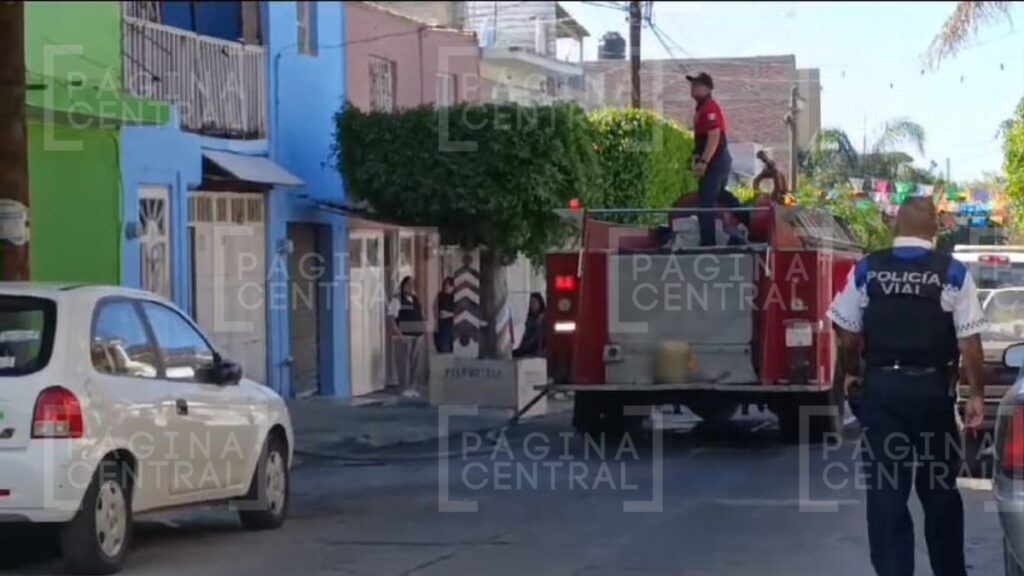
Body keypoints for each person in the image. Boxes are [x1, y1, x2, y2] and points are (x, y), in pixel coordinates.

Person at [827, 197, 987, 576]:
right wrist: (976, 394)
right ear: (936, 229)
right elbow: (969, 344)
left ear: (896, 225)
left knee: (886, 495)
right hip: (933, 394)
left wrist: (852, 373)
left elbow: (847, 331)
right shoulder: (952, 273)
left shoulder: (867, 269)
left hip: (883, 393)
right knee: (940, 492)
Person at [687, 72, 733, 247]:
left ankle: (708, 244)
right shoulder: (702, 107)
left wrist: (704, 162)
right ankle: (747, 218)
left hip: (716, 160)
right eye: (692, 85)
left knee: (705, 202)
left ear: (707, 88)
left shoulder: (709, 108)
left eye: (697, 85)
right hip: (718, 159)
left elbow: (713, 136)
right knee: (720, 195)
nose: (693, 88)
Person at [387, 276, 427, 398]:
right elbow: (391, 318)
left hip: (417, 335)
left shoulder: (415, 299)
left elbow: (420, 316)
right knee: (404, 363)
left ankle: (413, 387)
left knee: (415, 363)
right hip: (404, 336)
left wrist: (423, 332)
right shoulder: (397, 299)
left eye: (412, 285)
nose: (411, 287)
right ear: (403, 286)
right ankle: (404, 387)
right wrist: (399, 334)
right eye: (408, 284)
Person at [513, 293, 546, 359]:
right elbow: (526, 334)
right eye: (531, 303)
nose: (532, 305)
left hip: (536, 347)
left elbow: (541, 335)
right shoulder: (530, 318)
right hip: (528, 346)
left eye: (534, 302)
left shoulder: (543, 317)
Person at [434, 277, 455, 354]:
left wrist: (450, 314)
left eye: (449, 285)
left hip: (453, 329)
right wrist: (452, 314)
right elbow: (441, 314)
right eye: (445, 285)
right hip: (443, 328)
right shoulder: (441, 296)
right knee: (444, 351)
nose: (446, 287)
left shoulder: (456, 296)